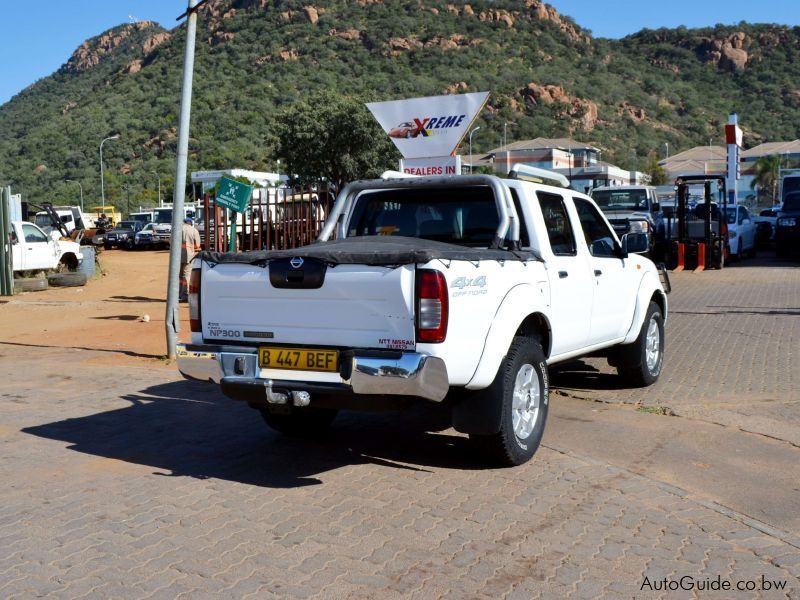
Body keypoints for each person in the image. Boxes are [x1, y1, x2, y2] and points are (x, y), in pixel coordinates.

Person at [180, 217, 201, 302]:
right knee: (186, 275)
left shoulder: (177, 229)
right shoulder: (194, 231)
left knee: (178, 276)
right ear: (191, 223)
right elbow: (198, 245)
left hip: (177, 257)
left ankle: (178, 294)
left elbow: (171, 241)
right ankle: (185, 295)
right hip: (189, 256)